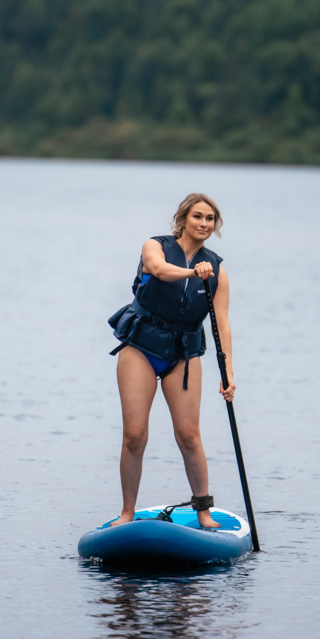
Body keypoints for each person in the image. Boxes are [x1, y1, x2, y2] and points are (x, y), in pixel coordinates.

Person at [107, 193, 235, 530]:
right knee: (135, 435)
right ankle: (127, 512)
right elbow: (159, 270)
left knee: (189, 435)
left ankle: (203, 512)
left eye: (210, 219)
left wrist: (228, 373)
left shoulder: (217, 271)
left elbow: (222, 325)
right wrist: (193, 272)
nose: (204, 223)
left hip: (184, 355)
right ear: (183, 219)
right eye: (198, 216)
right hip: (141, 348)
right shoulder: (156, 246)